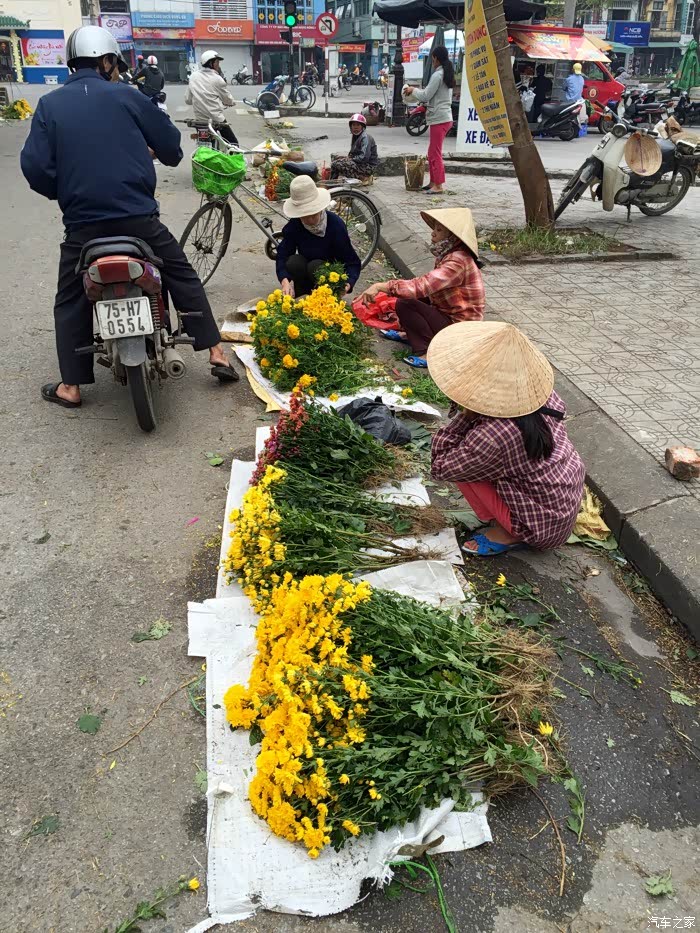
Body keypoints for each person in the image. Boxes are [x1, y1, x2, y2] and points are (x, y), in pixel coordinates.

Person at [20, 25, 237, 410]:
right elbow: (171, 148)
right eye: (115, 64)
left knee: (69, 298)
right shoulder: (130, 97)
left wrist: (65, 190)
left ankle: (71, 386)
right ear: (106, 62)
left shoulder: (50, 105)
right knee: (181, 273)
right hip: (139, 221)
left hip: (83, 229)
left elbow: (35, 167)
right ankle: (216, 352)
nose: (117, 71)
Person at [427, 321, 586, 556]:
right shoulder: (542, 396)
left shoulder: (494, 435)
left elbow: (441, 466)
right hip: (561, 506)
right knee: (477, 463)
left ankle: (510, 534)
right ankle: (505, 520)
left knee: (463, 469)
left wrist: (466, 414)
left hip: (540, 527)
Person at [358, 208, 484, 368]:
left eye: (439, 230)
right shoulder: (450, 254)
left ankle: (427, 353)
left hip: (461, 329)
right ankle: (408, 334)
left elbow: (422, 286)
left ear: (453, 237)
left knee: (406, 303)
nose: (433, 233)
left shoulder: (457, 262)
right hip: (448, 314)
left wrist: (381, 286)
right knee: (414, 298)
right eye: (434, 229)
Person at [275, 175, 361, 298]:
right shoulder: (294, 225)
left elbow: (352, 262)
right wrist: (284, 280)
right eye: (305, 216)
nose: (310, 220)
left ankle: (323, 297)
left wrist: (347, 284)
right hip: (306, 272)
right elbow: (282, 255)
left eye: (313, 214)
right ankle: (302, 291)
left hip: (328, 275)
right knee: (294, 262)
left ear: (320, 209)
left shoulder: (335, 225)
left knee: (315, 266)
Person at [402, 45, 454, 194]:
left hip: (440, 118)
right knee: (432, 152)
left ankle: (438, 185)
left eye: (432, 58)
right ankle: (433, 182)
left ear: (436, 58)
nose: (432, 61)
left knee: (435, 152)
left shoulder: (438, 75)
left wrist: (413, 90)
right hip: (442, 117)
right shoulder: (444, 73)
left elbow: (425, 95)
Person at [185, 49, 238, 146]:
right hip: (216, 119)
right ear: (211, 63)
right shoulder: (217, 79)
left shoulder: (193, 76)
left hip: (200, 121)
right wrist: (231, 102)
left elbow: (188, 100)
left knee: (204, 147)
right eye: (217, 62)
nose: (218, 65)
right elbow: (227, 99)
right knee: (233, 143)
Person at [330, 113, 379, 181]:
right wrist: (346, 158)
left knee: (337, 164)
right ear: (351, 126)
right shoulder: (356, 136)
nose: (355, 127)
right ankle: (332, 181)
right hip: (359, 163)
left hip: (367, 166)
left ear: (362, 126)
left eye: (358, 125)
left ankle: (362, 177)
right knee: (336, 160)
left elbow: (364, 157)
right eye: (353, 125)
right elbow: (353, 154)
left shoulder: (365, 138)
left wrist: (350, 159)